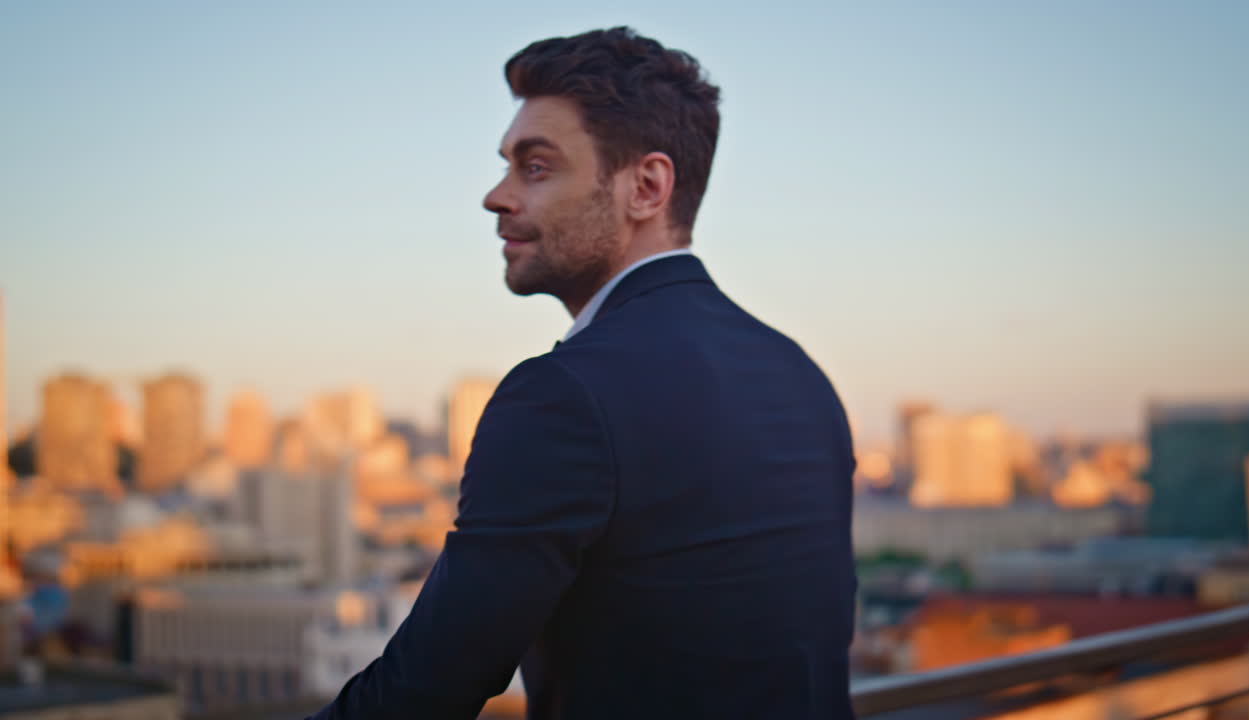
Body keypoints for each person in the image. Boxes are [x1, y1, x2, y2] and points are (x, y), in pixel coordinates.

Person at [307, 27, 857, 720]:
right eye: (506, 165)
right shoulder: (800, 373)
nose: (495, 195)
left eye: (535, 167)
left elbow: (427, 687)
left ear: (647, 187)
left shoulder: (563, 395)